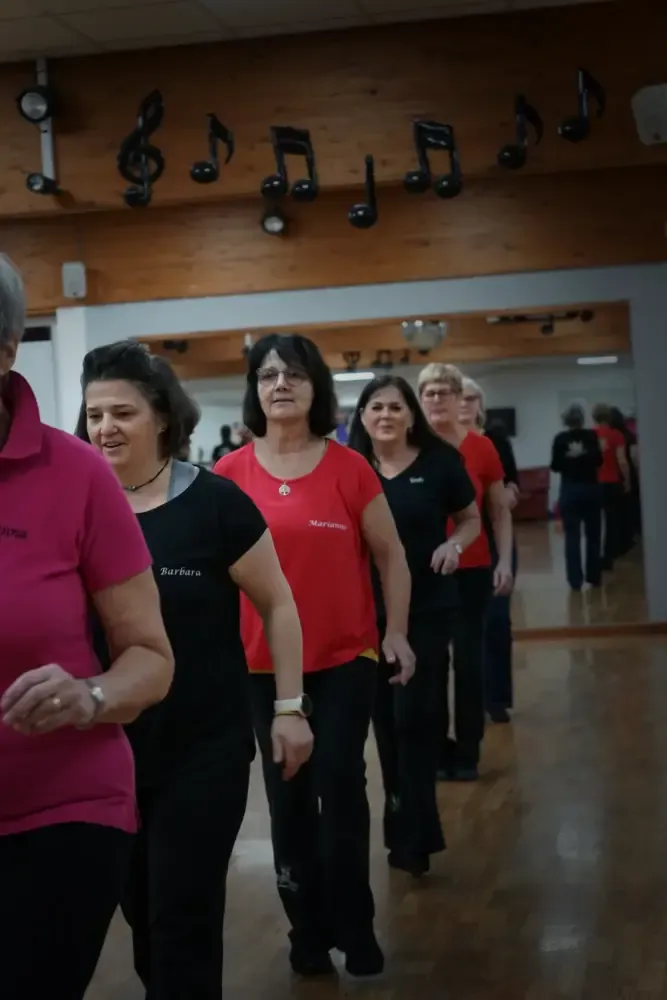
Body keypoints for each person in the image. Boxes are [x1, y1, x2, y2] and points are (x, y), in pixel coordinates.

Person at [75, 340, 313, 1000]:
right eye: (94, 415)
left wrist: (290, 711)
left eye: (121, 412)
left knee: (183, 914)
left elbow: (278, 604)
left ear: (161, 416)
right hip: (105, 750)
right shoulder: (79, 507)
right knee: (141, 913)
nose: (104, 428)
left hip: (201, 748)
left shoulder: (214, 504)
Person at [0, 257, 174, 1000]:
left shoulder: (76, 474)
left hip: (61, 809)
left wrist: (91, 696)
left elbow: (150, 658)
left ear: (6, 349)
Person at [214, 333, 414, 978]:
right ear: (255, 389)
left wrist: (398, 632)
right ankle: (306, 933)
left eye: (295, 374)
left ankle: (356, 926)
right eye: (268, 374)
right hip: (260, 666)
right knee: (287, 797)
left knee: (341, 786)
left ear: (316, 387)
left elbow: (391, 555)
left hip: (343, 657)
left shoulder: (349, 468)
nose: (280, 384)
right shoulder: (230, 474)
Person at [348, 375, 480, 877]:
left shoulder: (440, 463)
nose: (386, 415)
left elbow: (469, 518)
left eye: (395, 407)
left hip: (427, 609)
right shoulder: (352, 469)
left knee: (416, 719)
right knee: (384, 724)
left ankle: (420, 834)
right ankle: (400, 832)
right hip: (368, 614)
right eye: (376, 406)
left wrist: (456, 545)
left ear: (411, 415)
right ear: (361, 417)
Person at [419, 363, 513, 781]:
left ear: (461, 399)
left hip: (473, 568)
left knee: (469, 663)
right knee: (432, 664)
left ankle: (469, 751)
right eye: (429, 392)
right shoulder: (411, 447)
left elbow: (497, 512)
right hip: (425, 573)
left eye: (444, 391)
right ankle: (437, 749)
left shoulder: (482, 447)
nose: (437, 399)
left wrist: (504, 561)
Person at [460, 377, 518, 724]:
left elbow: (511, 485)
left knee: (496, 621)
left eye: (471, 398)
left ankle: (496, 698)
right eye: (460, 398)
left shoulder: (494, 440)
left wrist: (508, 494)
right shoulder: (437, 443)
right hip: (458, 548)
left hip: (495, 543)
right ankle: (468, 703)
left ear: (480, 403)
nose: (465, 404)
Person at [550, 403, 603, 592]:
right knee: (593, 536)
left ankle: (575, 581)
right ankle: (594, 576)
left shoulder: (560, 439)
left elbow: (555, 466)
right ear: (582, 420)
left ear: (566, 421)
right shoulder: (591, 436)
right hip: (591, 490)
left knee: (572, 537)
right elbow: (599, 460)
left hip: (569, 491)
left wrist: (568, 459)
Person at [592, 403, 630, 571]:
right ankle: (608, 558)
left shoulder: (590, 435)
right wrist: (627, 480)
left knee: (594, 522)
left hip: (594, 484)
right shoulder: (617, 435)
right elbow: (622, 460)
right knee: (611, 521)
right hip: (612, 482)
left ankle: (593, 557)